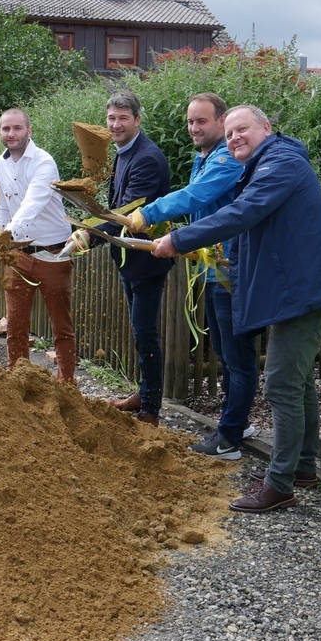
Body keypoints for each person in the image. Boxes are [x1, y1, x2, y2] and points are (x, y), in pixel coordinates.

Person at [152, 105, 321, 513]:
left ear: (267, 127)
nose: (234, 138)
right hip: (302, 289)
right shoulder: (264, 164)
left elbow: (242, 213)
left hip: (307, 292)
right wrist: (216, 256)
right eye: (228, 134)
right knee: (297, 383)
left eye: (241, 129)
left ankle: (278, 484)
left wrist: (181, 239)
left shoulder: (280, 163)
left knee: (279, 383)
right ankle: (303, 467)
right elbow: (248, 232)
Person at [126, 93, 259, 460]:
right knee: (225, 351)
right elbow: (200, 208)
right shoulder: (202, 158)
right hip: (211, 267)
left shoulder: (226, 159)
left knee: (237, 355)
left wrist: (150, 213)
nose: (194, 128)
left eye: (202, 121)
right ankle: (238, 423)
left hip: (231, 269)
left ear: (221, 122)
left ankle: (230, 437)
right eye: (190, 121)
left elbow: (196, 195)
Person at [69, 90, 172, 425]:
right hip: (129, 260)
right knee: (139, 328)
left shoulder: (146, 158)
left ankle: (151, 408)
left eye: (123, 118)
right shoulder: (123, 153)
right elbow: (114, 204)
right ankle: (143, 393)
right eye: (111, 118)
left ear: (137, 120)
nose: (115, 125)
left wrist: (87, 231)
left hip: (146, 260)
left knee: (145, 332)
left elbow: (126, 209)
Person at [0, 107, 76, 383]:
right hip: (18, 256)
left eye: (17, 128)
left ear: (29, 131)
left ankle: (66, 384)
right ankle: (17, 379)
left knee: (60, 326)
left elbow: (31, 206)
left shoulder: (43, 162)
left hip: (53, 253)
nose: (11, 134)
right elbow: (2, 206)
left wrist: (6, 235)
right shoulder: (1, 163)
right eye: (6, 129)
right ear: (0, 132)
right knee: (15, 324)